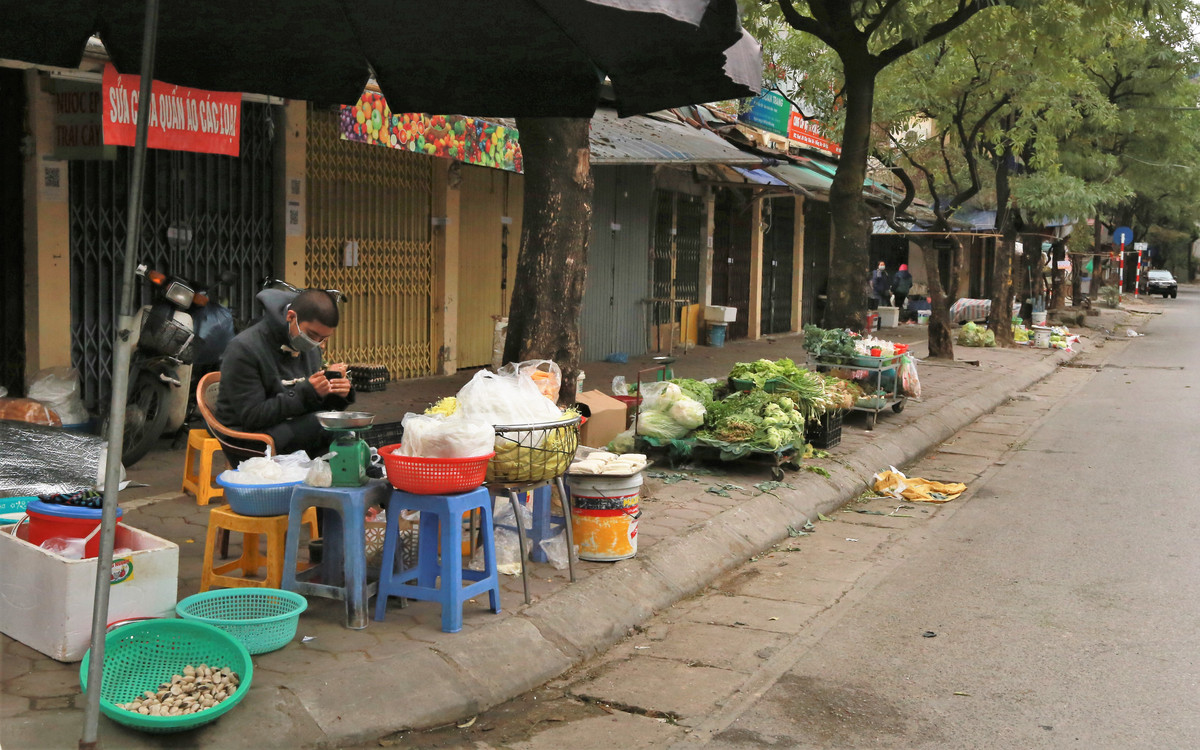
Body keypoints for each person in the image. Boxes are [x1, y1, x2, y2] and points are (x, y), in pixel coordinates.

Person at [216, 288, 354, 458]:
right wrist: (307, 392)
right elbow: (252, 417)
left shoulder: (310, 348)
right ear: (291, 317)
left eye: (324, 338)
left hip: (289, 426)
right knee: (326, 429)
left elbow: (310, 404)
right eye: (312, 334)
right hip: (248, 439)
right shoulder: (244, 349)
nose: (316, 343)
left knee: (344, 428)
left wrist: (334, 393)